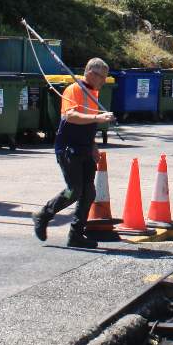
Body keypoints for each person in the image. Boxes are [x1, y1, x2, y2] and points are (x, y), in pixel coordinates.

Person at [33, 58, 114, 248]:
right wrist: (98, 117)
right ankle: (44, 214)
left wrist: (93, 145)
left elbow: (88, 123)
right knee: (74, 190)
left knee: (89, 192)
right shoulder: (73, 90)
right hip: (69, 149)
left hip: (85, 147)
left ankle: (76, 234)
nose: (104, 81)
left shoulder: (93, 92)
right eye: (102, 77)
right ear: (91, 73)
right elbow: (70, 116)